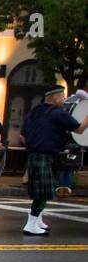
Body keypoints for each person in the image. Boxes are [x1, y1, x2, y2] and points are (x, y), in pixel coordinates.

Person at [20, 85, 88, 235]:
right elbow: (80, 129)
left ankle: (37, 220)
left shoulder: (34, 112)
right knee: (43, 193)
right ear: (55, 98)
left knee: (42, 191)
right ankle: (31, 224)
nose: (64, 100)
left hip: (33, 155)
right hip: (46, 155)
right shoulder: (58, 113)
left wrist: (34, 145)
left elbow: (22, 136)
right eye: (62, 97)